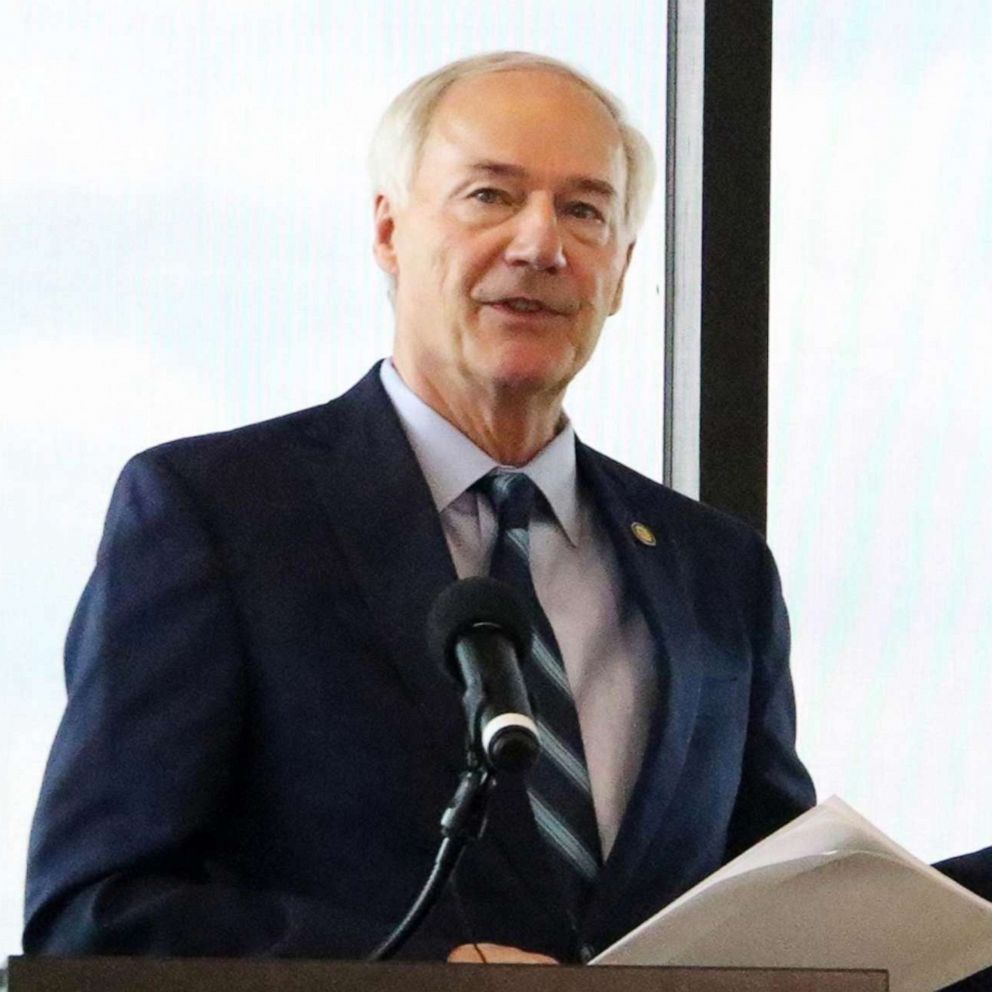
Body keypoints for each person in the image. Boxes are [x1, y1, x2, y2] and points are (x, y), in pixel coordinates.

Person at [24, 51, 815, 964]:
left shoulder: (717, 572)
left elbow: (783, 922)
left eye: (585, 210)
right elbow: (92, 917)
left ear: (624, 269)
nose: (539, 245)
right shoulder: (219, 517)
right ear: (389, 231)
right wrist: (415, 980)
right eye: (490, 195)